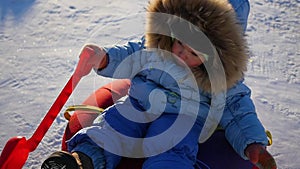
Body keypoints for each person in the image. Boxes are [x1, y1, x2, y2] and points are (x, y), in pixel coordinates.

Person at [42, 0, 277, 169]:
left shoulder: (224, 81)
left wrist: (252, 143)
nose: (182, 55)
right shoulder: (155, 47)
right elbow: (129, 55)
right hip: (138, 104)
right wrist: (102, 58)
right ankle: (82, 160)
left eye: (194, 52)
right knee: (113, 126)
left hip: (182, 119)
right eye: (180, 44)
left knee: (173, 149)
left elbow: (238, 111)